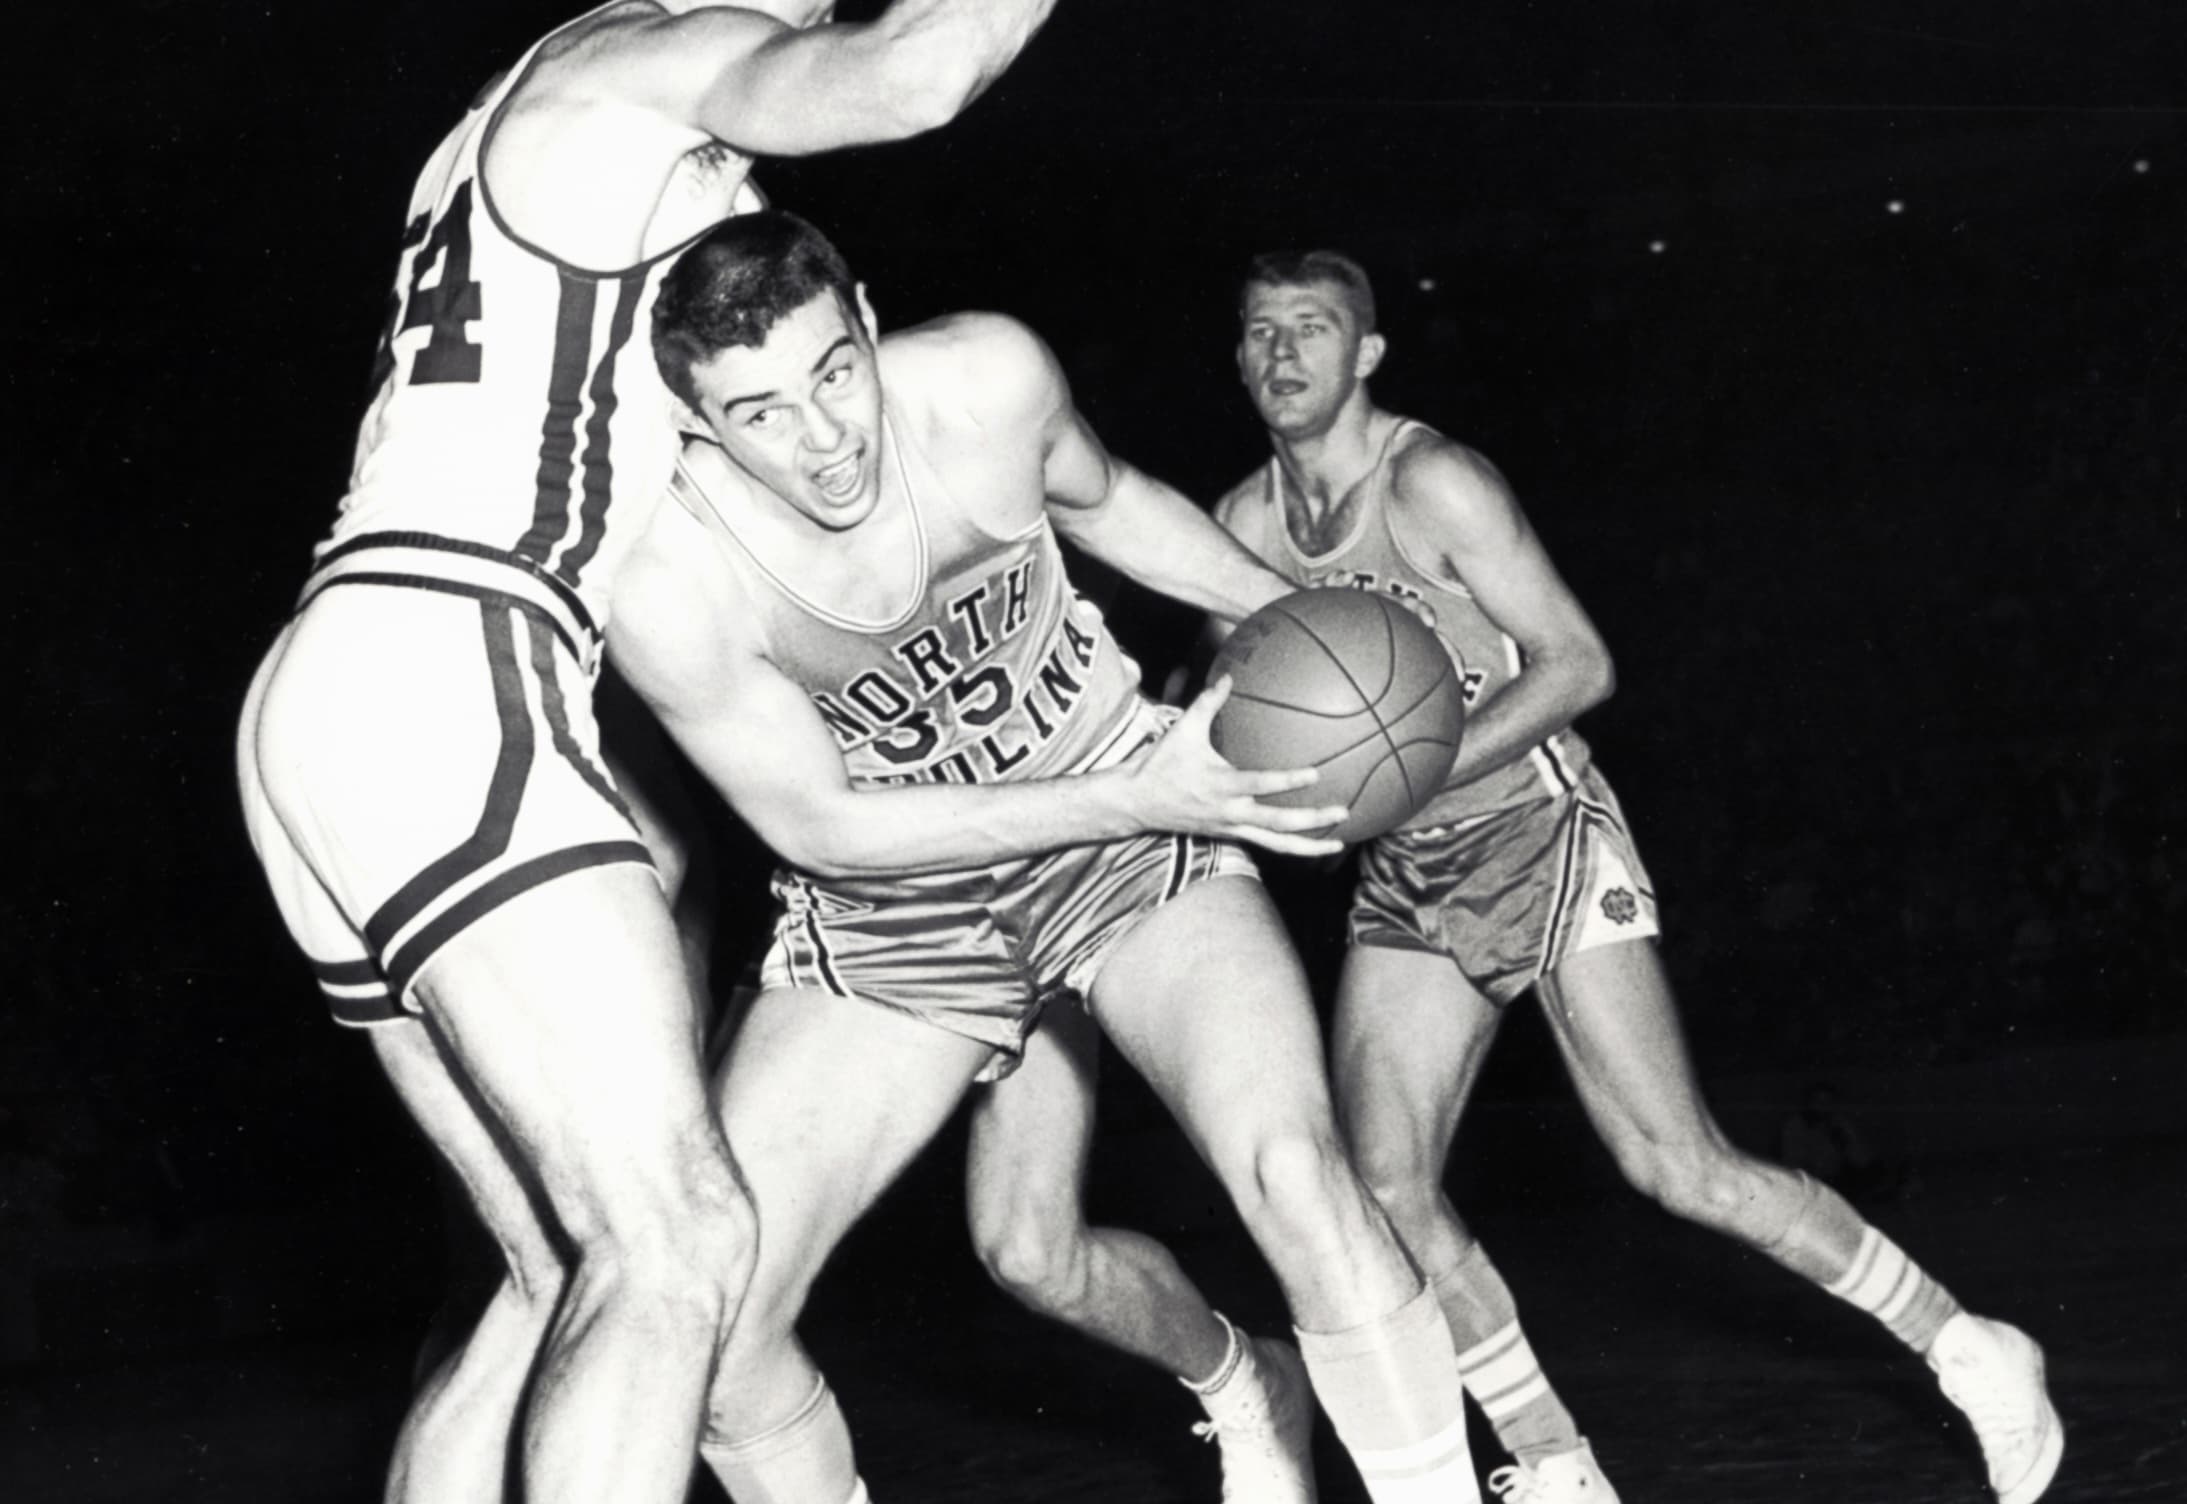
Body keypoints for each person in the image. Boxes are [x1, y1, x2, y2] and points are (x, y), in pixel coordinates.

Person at [232, 7, 1060, 1504]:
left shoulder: (552, 120)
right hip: (455, 661)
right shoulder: (635, 70)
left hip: (353, 683)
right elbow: (919, 73)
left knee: (557, 1271)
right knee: (676, 1241)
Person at [610, 209, 1487, 1504]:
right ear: (694, 424)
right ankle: (1243, 1385)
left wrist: (1294, 615)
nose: (825, 435)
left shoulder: (983, 382)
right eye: (760, 415)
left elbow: (1111, 500)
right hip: (900, 896)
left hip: (1123, 823)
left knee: (1293, 1173)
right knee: (726, 1314)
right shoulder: (671, 583)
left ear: (864, 317)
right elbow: (822, 830)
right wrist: (1131, 793)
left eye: (832, 373)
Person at [1198, 249, 2061, 1504]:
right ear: (1237, 356)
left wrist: (1412, 766)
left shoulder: (1436, 482)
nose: (1284, 355)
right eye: (1261, 330)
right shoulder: (1237, 525)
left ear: (1367, 353)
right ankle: (1557, 1464)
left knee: (1676, 1163)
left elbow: (1579, 661)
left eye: (1313, 329)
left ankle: (1969, 1344)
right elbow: (1238, 709)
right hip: (1408, 880)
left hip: (1536, 832)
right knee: (1384, 1192)